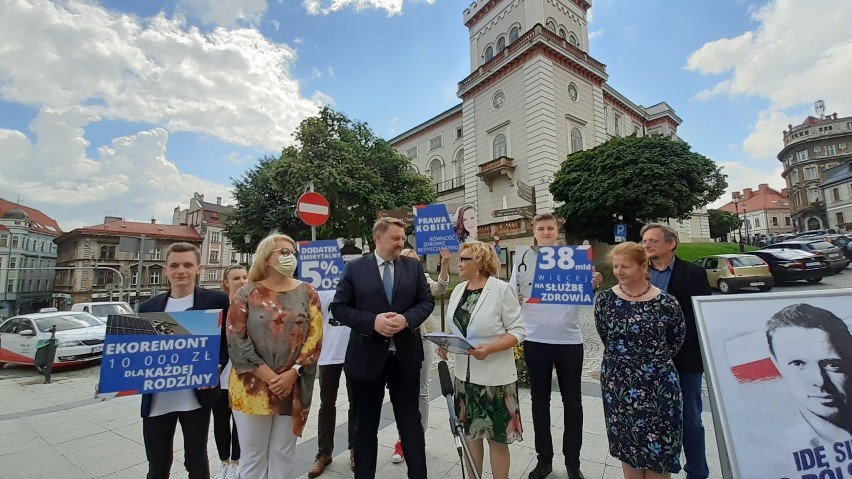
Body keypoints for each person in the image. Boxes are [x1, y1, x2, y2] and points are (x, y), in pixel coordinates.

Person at [330, 217, 435, 479]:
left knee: (411, 425)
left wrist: (407, 319)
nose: (401, 243)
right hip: (366, 360)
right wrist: (372, 321)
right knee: (365, 428)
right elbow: (339, 308)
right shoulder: (355, 269)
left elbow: (427, 301)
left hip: (405, 360)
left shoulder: (413, 266)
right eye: (396, 238)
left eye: (403, 238)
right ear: (378, 238)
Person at [509, 213, 602, 479]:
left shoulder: (572, 259)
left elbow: (585, 291)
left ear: (557, 230)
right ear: (534, 231)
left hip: (569, 340)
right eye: (541, 228)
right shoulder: (523, 259)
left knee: (573, 402)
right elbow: (511, 293)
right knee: (540, 402)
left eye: (550, 228)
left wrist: (593, 285)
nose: (546, 231)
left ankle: (573, 462)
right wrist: (513, 297)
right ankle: (544, 460)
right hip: (535, 339)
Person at [227, 233, 323, 479]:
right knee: (254, 455)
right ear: (267, 258)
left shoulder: (308, 292)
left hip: (294, 385)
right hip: (252, 386)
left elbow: (315, 337)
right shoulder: (246, 294)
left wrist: (293, 373)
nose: (290, 256)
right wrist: (271, 377)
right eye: (283, 251)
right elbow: (237, 340)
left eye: (292, 252)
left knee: (283, 453)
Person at [139, 242, 231, 479]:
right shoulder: (148, 307)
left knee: (196, 460)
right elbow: (138, 353)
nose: (181, 270)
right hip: (157, 399)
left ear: (199, 268)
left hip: (196, 396)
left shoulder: (216, 302)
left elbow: (228, 343)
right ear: (166, 270)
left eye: (188, 265)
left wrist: (219, 363)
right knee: (157, 465)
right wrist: (112, 378)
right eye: (175, 265)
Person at [594, 241, 686, 478]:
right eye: (615, 266)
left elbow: (675, 341)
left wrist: (649, 363)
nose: (618, 272)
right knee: (629, 449)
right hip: (620, 385)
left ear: (643, 266)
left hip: (658, 387)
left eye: (625, 266)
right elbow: (607, 336)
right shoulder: (605, 301)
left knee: (659, 456)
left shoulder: (667, 303)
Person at [438, 241, 525, 479]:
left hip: (495, 381)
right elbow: (458, 329)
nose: (458, 263)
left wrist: (491, 348)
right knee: (470, 438)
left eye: (463, 259)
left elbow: (518, 331)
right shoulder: (458, 290)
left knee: (497, 441)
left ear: (479, 262)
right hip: (464, 379)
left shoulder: (500, 289)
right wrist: (445, 344)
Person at [640, 223, 711, 479]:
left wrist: (672, 345)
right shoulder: (640, 273)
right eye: (644, 241)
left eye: (652, 241)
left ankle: (697, 472)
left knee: (690, 418)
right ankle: (660, 467)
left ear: (671, 244)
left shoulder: (693, 273)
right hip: (647, 364)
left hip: (684, 360)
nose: (646, 245)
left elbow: (699, 317)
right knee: (652, 419)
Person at [390, 247, 451, 464]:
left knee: (421, 390)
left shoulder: (422, 278)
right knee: (401, 392)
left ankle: (417, 438)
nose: (411, 264)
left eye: (415, 261)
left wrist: (444, 264)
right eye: (406, 260)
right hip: (398, 341)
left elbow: (440, 288)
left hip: (423, 337)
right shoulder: (390, 279)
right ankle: (402, 439)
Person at [766, 303, 852, 442]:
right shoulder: (770, 446)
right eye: (798, 364)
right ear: (776, 364)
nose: (820, 381)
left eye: (832, 364)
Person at [308, 287, 356, 477]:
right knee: (327, 404)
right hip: (328, 353)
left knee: (356, 403)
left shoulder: (359, 285)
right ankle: (324, 453)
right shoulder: (321, 289)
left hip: (354, 352)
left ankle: (356, 449)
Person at [212, 265, 247, 479]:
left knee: (240, 420)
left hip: (244, 373)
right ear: (226, 282)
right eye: (236, 278)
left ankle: (237, 462)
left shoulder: (251, 305)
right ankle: (224, 462)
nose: (242, 281)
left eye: (245, 277)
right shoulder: (219, 307)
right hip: (220, 371)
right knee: (221, 418)